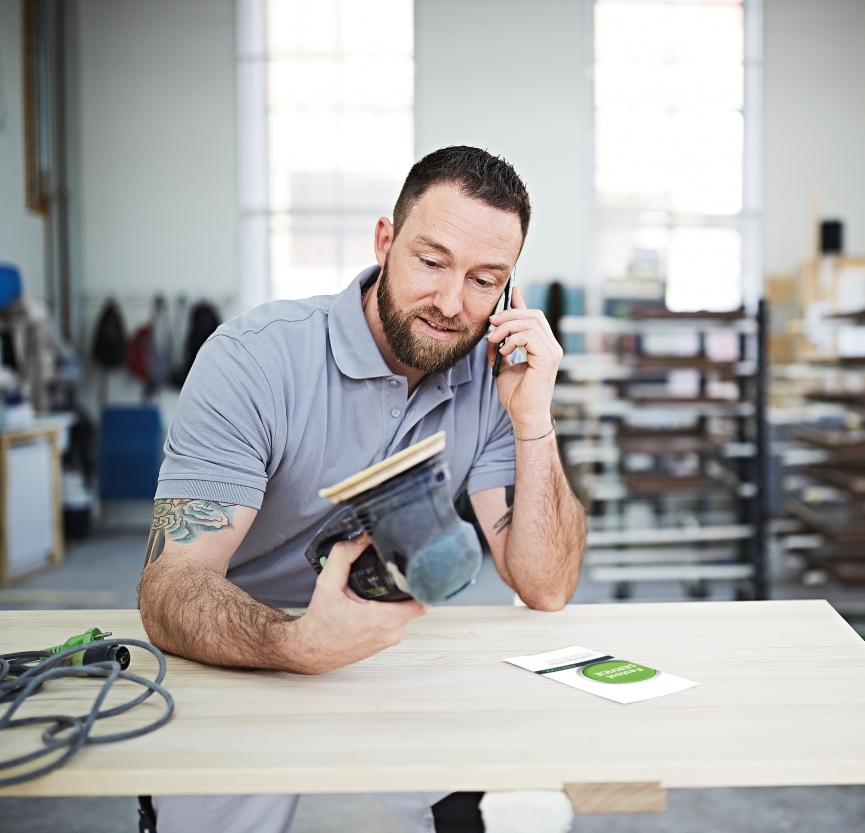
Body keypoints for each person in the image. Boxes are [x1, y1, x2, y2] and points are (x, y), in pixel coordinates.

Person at [137, 146, 587, 833]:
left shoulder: (492, 377)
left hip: (395, 639)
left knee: (515, 814)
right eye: (431, 261)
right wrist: (293, 644)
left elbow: (546, 585)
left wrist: (534, 418)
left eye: (484, 279)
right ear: (385, 242)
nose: (450, 302)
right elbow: (171, 587)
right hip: (241, 640)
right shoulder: (253, 359)